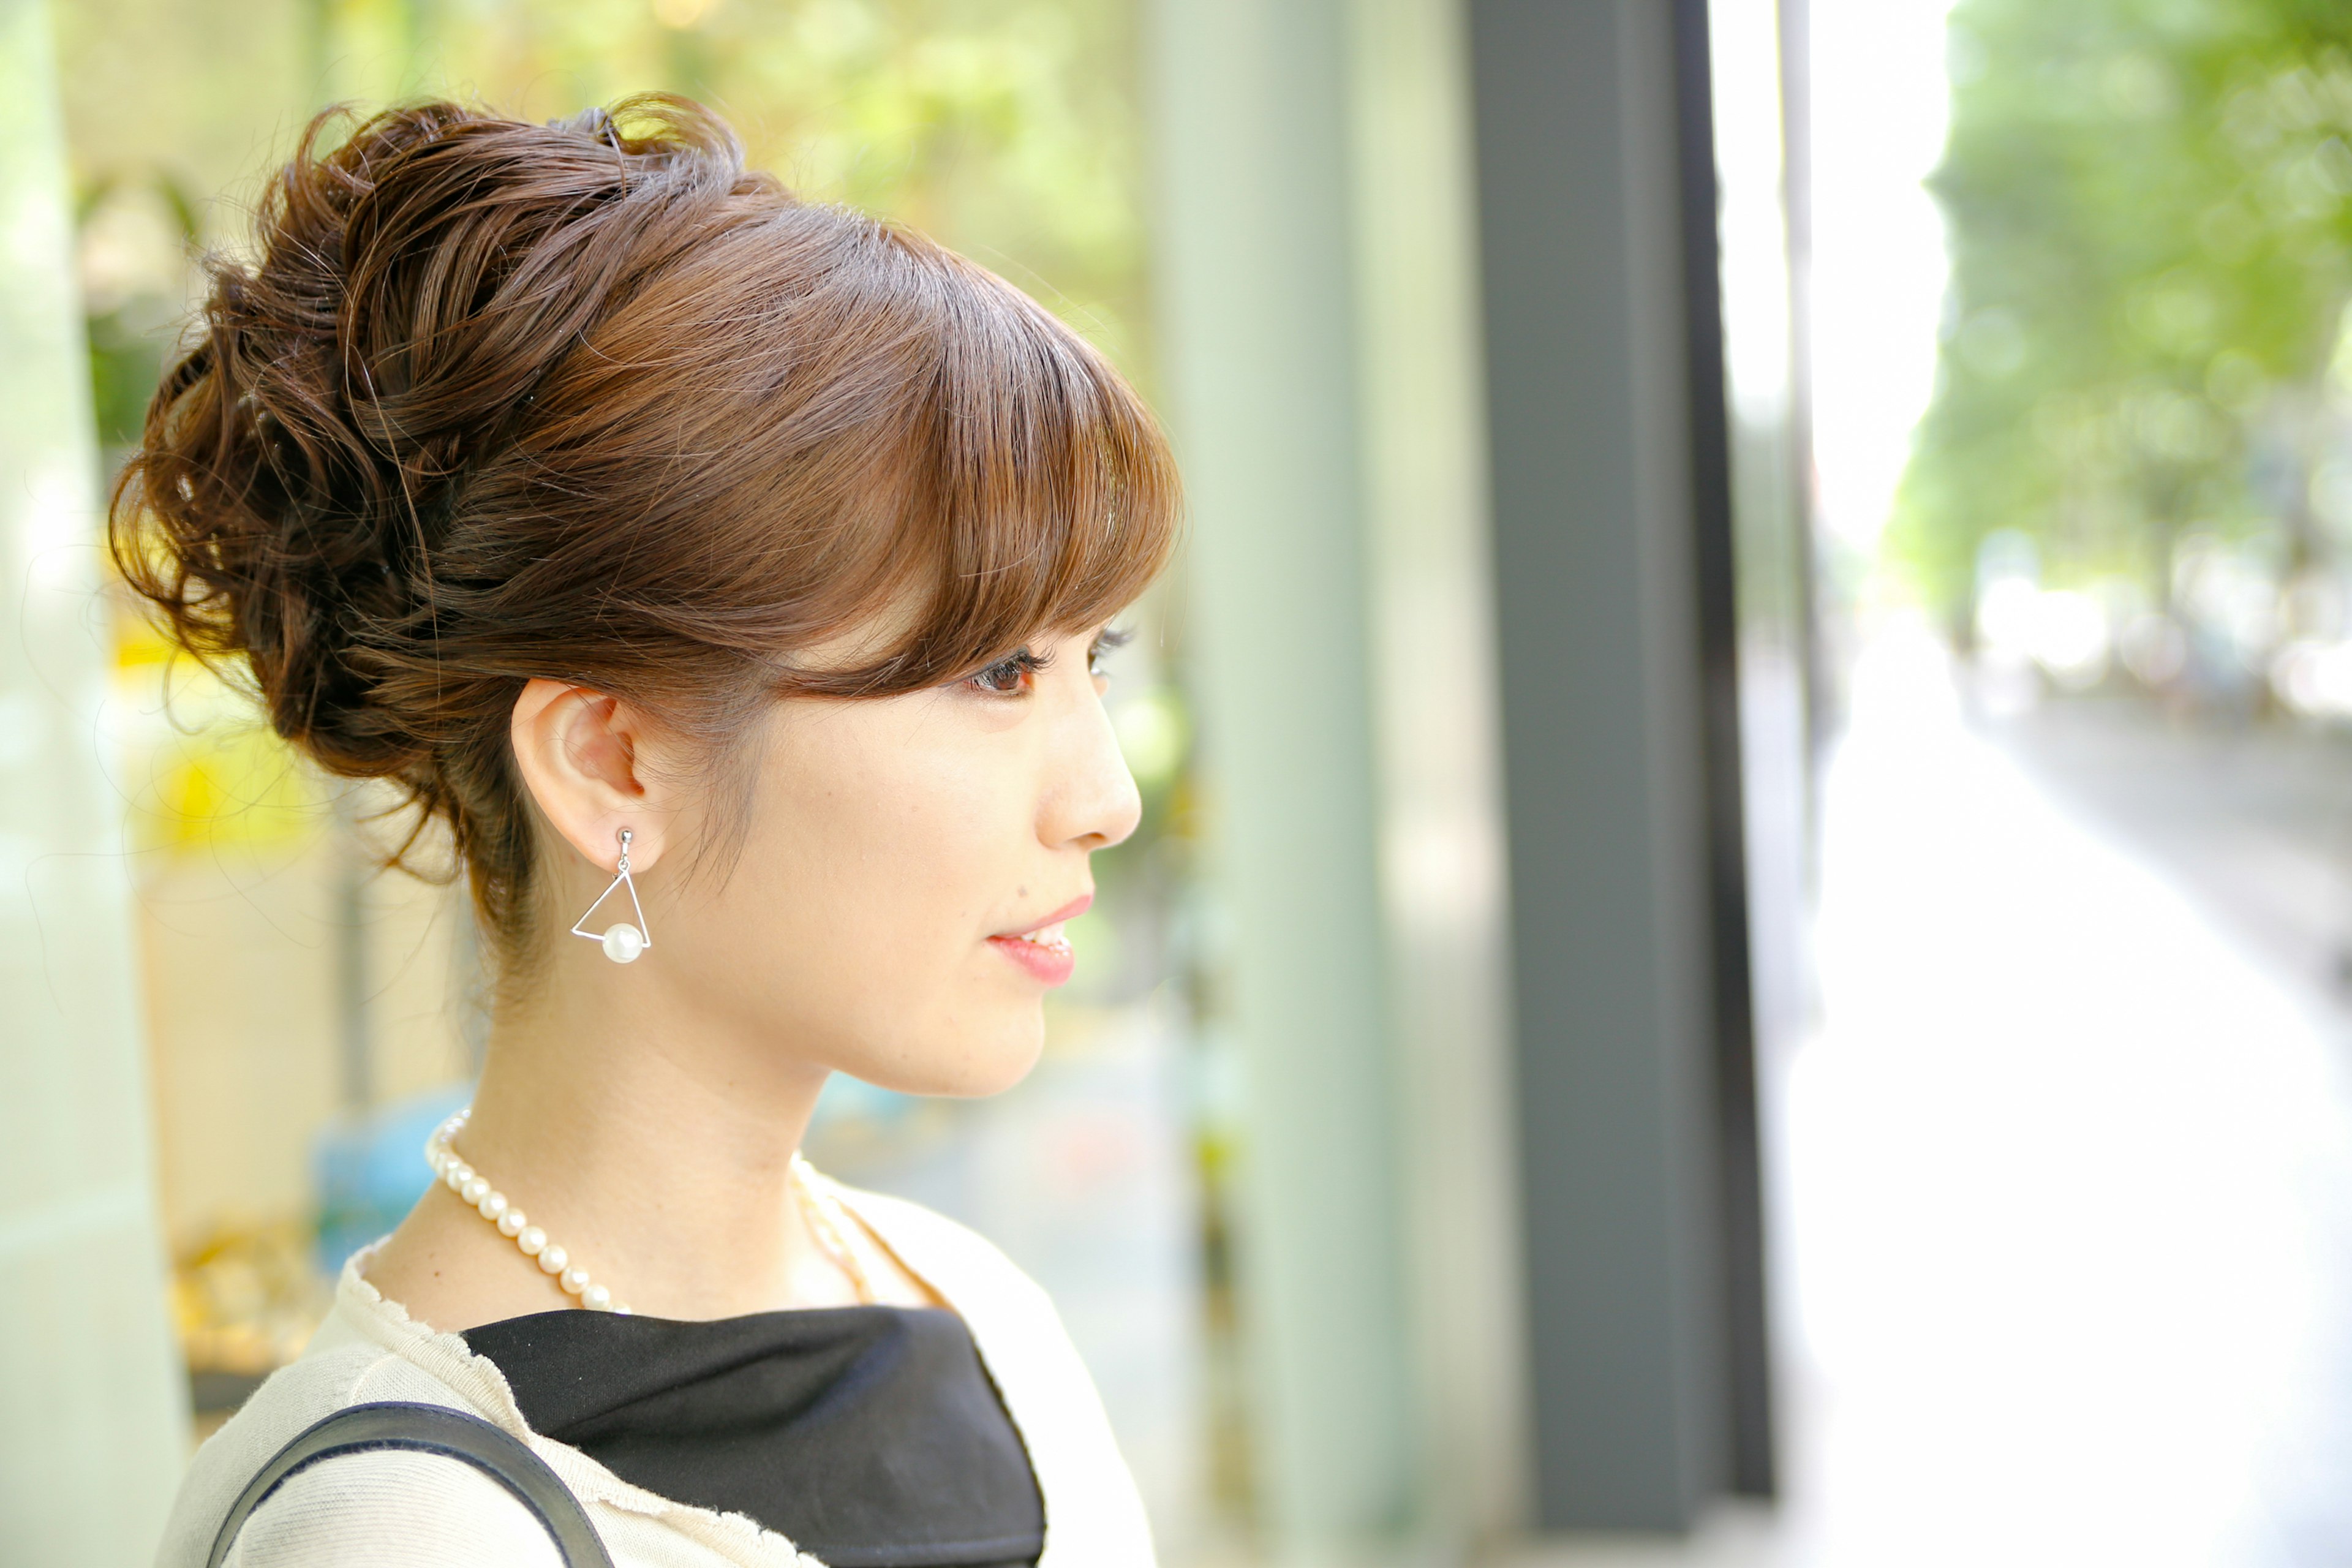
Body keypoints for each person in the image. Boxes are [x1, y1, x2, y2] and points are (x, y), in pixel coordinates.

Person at [119, 96, 1178, 1568]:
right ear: (615, 761)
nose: (1106, 794)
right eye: (999, 671)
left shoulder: (977, 1307)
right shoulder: (406, 1529)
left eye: (1093, 662)